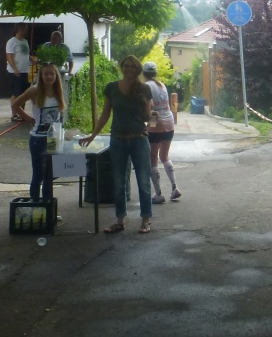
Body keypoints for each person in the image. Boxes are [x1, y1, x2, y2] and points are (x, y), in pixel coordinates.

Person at [79, 55, 153, 234]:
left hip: (139, 139)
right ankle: (120, 220)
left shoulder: (144, 89)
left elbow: (146, 117)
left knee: (143, 181)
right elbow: (105, 114)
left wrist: (150, 113)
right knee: (118, 183)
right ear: (122, 67)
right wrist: (93, 135)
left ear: (138, 69)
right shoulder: (111, 88)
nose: (129, 69)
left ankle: (145, 220)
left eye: (133, 67)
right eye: (126, 65)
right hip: (118, 140)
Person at [11, 63, 65, 200]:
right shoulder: (34, 90)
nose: (49, 77)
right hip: (38, 139)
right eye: (46, 74)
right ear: (40, 76)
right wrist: (29, 118)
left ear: (56, 76)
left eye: (52, 74)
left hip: (54, 139)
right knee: (38, 175)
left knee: (49, 175)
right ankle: (34, 204)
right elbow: (15, 104)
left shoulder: (58, 90)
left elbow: (60, 116)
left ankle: (47, 207)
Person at [142, 61, 181, 203]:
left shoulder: (146, 86)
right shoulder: (162, 85)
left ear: (143, 73)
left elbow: (151, 107)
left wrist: (149, 126)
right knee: (164, 156)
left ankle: (158, 194)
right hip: (169, 122)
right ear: (156, 72)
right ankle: (175, 187)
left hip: (156, 121)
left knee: (153, 159)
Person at [6, 23, 37, 122]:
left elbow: (25, 54)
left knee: (23, 94)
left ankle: (22, 114)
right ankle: (14, 115)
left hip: (24, 71)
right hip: (15, 72)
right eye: (25, 29)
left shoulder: (25, 41)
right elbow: (9, 56)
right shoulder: (12, 42)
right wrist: (15, 69)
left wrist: (32, 60)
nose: (26, 31)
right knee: (16, 93)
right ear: (19, 29)